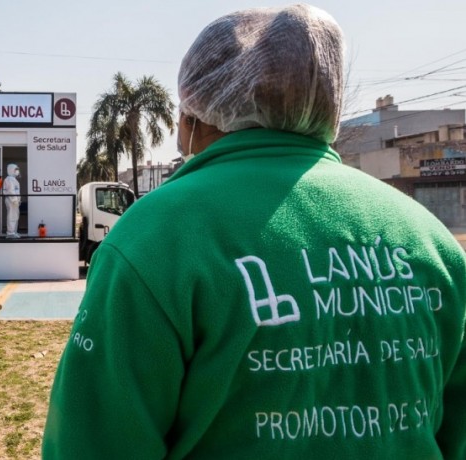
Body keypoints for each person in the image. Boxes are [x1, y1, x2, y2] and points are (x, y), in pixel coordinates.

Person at [43, 5, 466, 459]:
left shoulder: (153, 238)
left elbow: (93, 442)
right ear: (326, 104)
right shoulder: (432, 242)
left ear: (195, 116)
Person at [2, 163, 21, 238]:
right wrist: (14, 199)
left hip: (14, 201)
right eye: (16, 170)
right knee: (12, 216)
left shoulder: (12, 179)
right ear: (11, 170)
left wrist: (17, 200)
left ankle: (14, 231)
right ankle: (10, 232)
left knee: (15, 216)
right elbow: (11, 191)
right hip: (11, 200)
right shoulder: (9, 179)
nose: (17, 171)